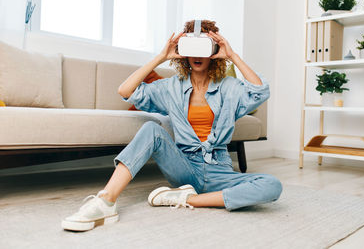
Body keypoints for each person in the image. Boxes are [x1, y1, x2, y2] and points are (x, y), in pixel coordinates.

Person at [61, 20, 282, 232]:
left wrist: (233, 56)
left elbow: (260, 92)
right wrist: (161, 57)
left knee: (272, 185)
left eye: (203, 46)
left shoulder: (229, 87)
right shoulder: (171, 87)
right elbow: (125, 91)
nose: (196, 55)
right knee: (151, 128)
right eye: (190, 47)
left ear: (214, 50)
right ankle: (105, 202)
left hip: (220, 171)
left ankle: (188, 199)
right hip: (185, 167)